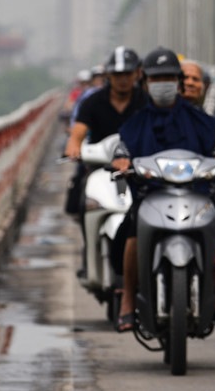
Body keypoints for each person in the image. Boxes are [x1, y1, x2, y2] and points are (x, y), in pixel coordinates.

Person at [111, 47, 215, 334]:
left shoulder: (198, 119)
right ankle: (128, 299)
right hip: (151, 194)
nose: (163, 83)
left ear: (178, 81)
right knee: (132, 232)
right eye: (156, 78)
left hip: (197, 193)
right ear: (145, 82)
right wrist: (121, 162)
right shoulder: (136, 122)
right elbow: (122, 149)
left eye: (169, 77)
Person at [63, 47, 147, 277]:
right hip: (100, 166)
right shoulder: (93, 101)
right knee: (83, 198)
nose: (123, 79)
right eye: (118, 74)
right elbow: (78, 132)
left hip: (139, 169)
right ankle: (89, 255)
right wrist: (73, 147)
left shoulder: (145, 101)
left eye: (128, 73)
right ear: (108, 74)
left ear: (137, 74)